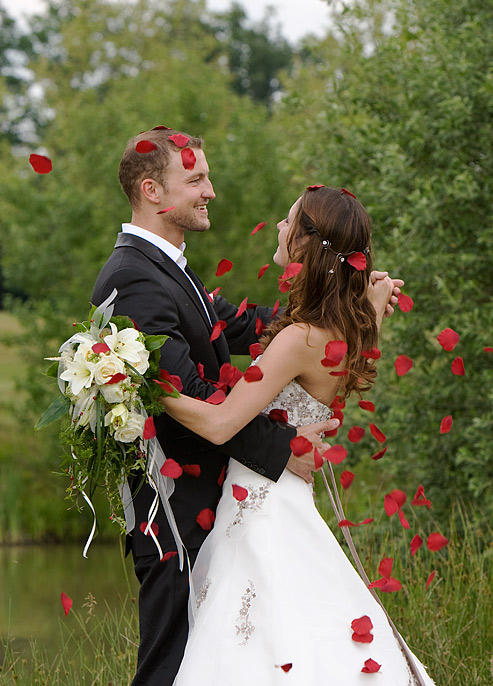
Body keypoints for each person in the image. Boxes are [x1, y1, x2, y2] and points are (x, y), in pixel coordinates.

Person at [91, 127, 339, 686]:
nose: (211, 190)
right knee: (171, 661)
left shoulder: (168, 267)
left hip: (209, 497)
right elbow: (197, 401)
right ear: (152, 191)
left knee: (214, 659)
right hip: (173, 502)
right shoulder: (133, 277)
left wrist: (343, 302)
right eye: (196, 178)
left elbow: (255, 328)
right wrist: (285, 448)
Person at [162, 186, 436, 685]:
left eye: (289, 222)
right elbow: (364, 333)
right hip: (286, 498)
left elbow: (222, 423)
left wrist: (142, 384)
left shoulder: (299, 339)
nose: (281, 228)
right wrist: (373, 300)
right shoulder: (348, 331)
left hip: (262, 509)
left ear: (307, 245)